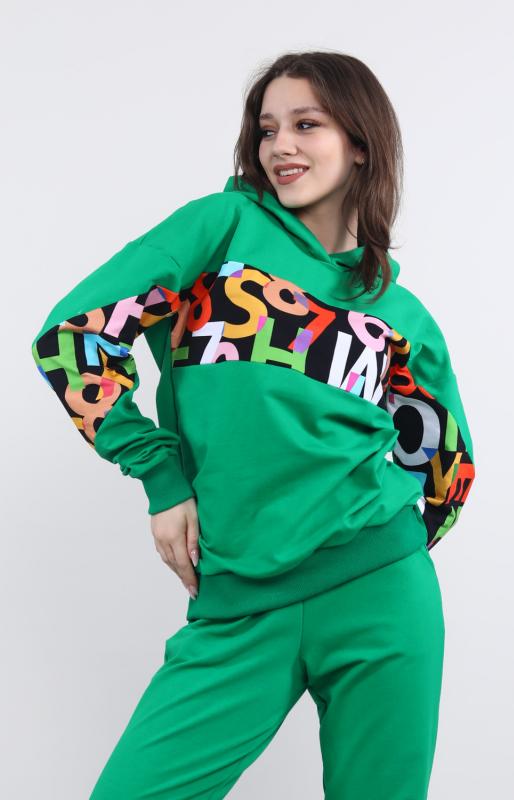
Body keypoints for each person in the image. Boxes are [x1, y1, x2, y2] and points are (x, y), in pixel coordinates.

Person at [31, 50, 476, 799]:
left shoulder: (399, 312)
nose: (280, 147)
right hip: (238, 602)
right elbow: (72, 336)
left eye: (306, 124)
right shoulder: (221, 229)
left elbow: (444, 466)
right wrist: (162, 477)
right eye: (267, 129)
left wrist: (370, 541)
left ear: (359, 142)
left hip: (382, 593)